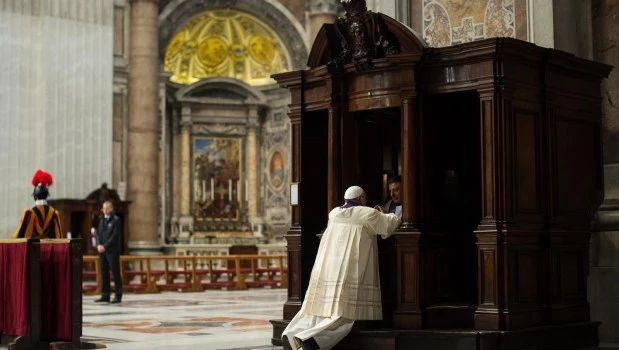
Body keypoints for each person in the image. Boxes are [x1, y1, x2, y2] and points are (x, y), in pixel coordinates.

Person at [282, 185, 401, 350]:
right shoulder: (368, 213)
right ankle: (312, 340)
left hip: (330, 268)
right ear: (361, 198)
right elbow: (389, 224)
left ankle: (291, 333)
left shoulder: (334, 213)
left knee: (318, 308)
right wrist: (385, 214)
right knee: (345, 314)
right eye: (364, 198)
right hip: (351, 269)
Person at [13, 169, 63, 239]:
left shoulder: (29, 213)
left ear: (35, 196)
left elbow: (21, 237)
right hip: (48, 248)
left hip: (34, 248)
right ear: (46, 195)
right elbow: (58, 237)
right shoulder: (54, 213)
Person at [92, 201, 123, 304]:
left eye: (107, 208)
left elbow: (115, 236)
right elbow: (99, 234)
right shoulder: (101, 219)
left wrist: (105, 246)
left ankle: (118, 295)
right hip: (102, 251)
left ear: (111, 208)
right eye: (103, 208)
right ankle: (105, 294)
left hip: (112, 251)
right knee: (104, 272)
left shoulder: (116, 220)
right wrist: (99, 244)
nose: (105, 210)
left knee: (115, 273)